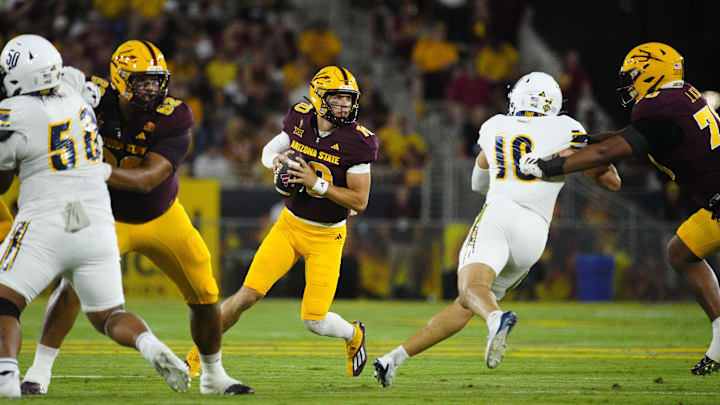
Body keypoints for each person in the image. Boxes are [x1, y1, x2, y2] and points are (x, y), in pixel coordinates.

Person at [20, 40, 253, 395]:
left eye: (156, 81)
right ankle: (38, 372)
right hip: (104, 215)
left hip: (160, 214)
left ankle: (213, 375)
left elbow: (147, 180)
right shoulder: (90, 96)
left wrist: (93, 170)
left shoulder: (174, 115)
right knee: (71, 290)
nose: (151, 89)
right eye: (142, 81)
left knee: (206, 294)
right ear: (118, 78)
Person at [373, 72, 621, 387]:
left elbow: (478, 183)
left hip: (501, 214)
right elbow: (612, 182)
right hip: (535, 235)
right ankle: (394, 358)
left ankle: (496, 319)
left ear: (516, 98)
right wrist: (575, 152)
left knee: (471, 289)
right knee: (468, 301)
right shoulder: (568, 128)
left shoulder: (495, 125)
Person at [0, 34, 190, 398]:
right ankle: (148, 343)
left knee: (6, 300)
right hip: (98, 220)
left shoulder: (15, 114)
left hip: (48, 215)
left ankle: (6, 378)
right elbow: (72, 78)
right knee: (108, 316)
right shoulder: (75, 92)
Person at [519, 42, 720, 376]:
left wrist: (546, 167)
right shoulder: (681, 96)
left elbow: (609, 154)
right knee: (681, 251)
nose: (631, 83)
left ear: (652, 70)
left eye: (635, 74)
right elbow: (628, 138)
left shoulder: (660, 107)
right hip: (715, 207)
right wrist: (587, 139)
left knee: (681, 252)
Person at [185, 65, 378, 378]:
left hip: (327, 237)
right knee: (245, 296)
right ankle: (196, 357)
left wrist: (316, 183)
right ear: (318, 98)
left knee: (313, 320)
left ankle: (354, 334)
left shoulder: (359, 142)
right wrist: (276, 161)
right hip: (289, 226)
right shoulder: (300, 118)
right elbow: (269, 150)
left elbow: (360, 201)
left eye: (348, 99)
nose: (344, 105)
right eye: (337, 98)